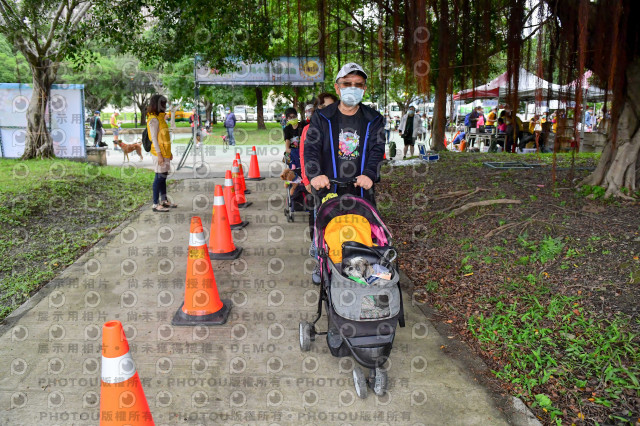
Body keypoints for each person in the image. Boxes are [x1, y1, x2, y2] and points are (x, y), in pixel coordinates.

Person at [304, 62, 384, 204]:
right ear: (337, 88)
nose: (352, 88)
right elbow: (311, 148)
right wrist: (315, 175)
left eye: (358, 84)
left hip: (361, 190)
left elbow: (376, 150)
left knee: (364, 226)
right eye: (347, 84)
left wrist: (369, 174)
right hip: (327, 189)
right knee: (326, 226)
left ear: (364, 89)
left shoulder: (374, 118)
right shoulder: (322, 117)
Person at [299, 92, 338, 284]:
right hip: (318, 184)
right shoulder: (310, 128)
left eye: (332, 106)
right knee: (320, 220)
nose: (327, 110)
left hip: (341, 184)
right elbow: (304, 155)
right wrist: (308, 180)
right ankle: (319, 260)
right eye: (323, 107)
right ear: (317, 109)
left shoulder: (341, 126)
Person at [147, 94, 177, 212]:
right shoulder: (153, 119)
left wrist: (168, 153)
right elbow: (154, 139)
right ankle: (155, 204)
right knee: (158, 178)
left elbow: (164, 136)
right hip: (158, 153)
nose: (165, 106)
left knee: (163, 177)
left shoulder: (160, 117)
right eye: (163, 104)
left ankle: (164, 201)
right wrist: (159, 154)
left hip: (165, 153)